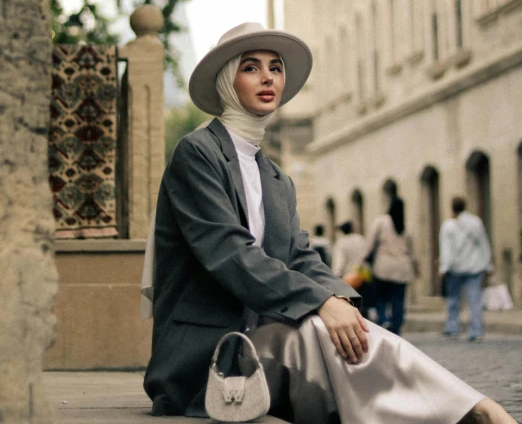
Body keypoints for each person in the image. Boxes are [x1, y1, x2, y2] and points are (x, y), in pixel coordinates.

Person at [143, 22, 516, 424]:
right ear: (226, 81)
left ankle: (465, 409)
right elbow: (230, 255)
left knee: (349, 338)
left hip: (264, 343)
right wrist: (319, 303)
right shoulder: (197, 154)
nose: (268, 77)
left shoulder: (276, 178)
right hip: (205, 358)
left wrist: (337, 299)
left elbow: (301, 256)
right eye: (250, 67)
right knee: (318, 335)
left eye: (276, 67)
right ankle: (473, 412)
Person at [362, 195, 418, 336]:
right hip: (402, 269)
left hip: (383, 267)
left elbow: (370, 243)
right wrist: (416, 268)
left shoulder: (381, 221)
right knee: (398, 299)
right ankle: (396, 327)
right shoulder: (407, 225)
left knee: (380, 297)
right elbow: (413, 251)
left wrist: (363, 259)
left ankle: (384, 319)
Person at [439, 195, 493, 342]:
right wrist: (488, 264)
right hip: (475, 267)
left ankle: (453, 328)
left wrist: (444, 267)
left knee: (453, 300)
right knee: (475, 300)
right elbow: (483, 243)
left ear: (452, 208)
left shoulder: (448, 226)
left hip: (455, 268)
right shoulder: (475, 222)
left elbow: (447, 249)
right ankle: (476, 331)